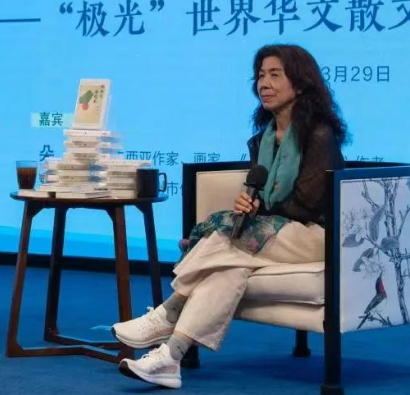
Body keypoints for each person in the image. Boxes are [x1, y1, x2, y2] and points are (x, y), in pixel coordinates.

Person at [111, 44, 348, 388]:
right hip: (275, 234)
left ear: (299, 84)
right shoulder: (263, 140)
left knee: (228, 236)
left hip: (316, 236)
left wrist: (259, 211)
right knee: (227, 268)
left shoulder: (319, 135)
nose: (264, 83)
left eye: (275, 75)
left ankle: (168, 310)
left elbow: (306, 205)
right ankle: (169, 358)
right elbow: (264, 194)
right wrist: (251, 204)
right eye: (261, 75)